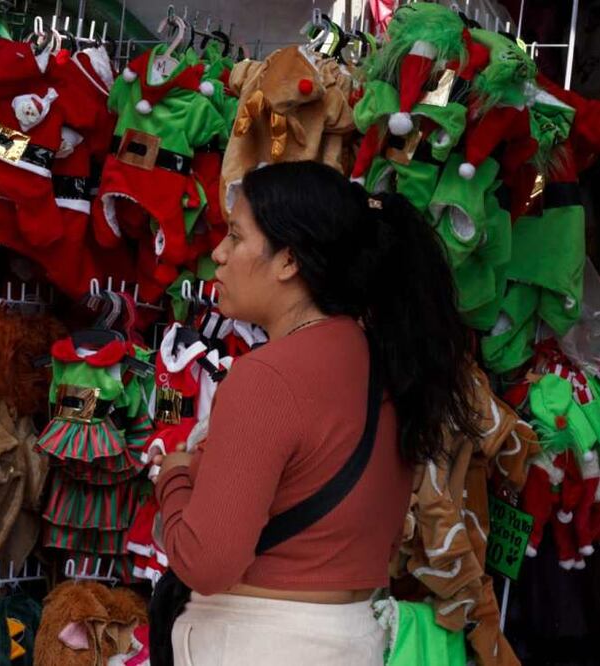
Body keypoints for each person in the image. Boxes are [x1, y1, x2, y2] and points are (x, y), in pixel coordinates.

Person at [153, 161, 479, 665]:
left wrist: (174, 479)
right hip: (353, 640)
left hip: (258, 644)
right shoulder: (385, 364)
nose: (217, 254)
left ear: (288, 261)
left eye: (236, 237)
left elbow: (207, 561)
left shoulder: (266, 377)